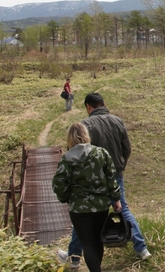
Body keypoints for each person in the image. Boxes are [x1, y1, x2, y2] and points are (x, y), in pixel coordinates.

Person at [58, 92, 151, 269]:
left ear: (88, 107)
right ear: (103, 103)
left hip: (93, 178)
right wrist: (120, 167)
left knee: (84, 213)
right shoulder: (118, 121)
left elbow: (79, 153)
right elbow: (127, 148)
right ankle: (141, 248)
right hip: (116, 173)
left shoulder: (86, 125)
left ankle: (74, 256)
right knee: (122, 208)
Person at [52, 123, 122, 272]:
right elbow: (111, 177)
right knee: (98, 242)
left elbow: (58, 184)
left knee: (87, 244)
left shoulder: (66, 159)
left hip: (78, 209)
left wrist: (66, 198)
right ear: (86, 134)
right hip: (101, 206)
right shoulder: (101, 153)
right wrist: (116, 198)